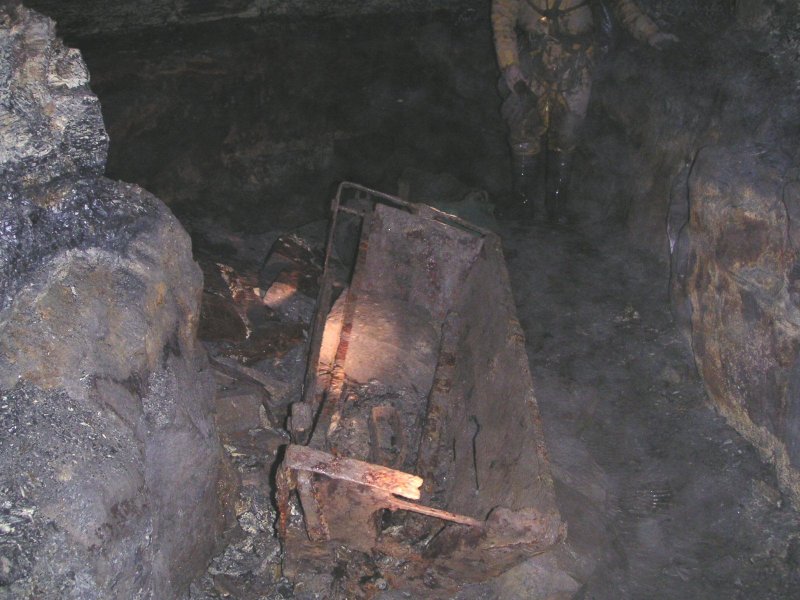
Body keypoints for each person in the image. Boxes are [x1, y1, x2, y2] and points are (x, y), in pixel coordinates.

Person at [492, 0, 677, 221]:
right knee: (524, 129)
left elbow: (621, 5)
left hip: (575, 64)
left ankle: (557, 207)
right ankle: (522, 203)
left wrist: (650, 33)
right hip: (532, 60)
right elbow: (502, 18)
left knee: (567, 132)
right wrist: (509, 64)